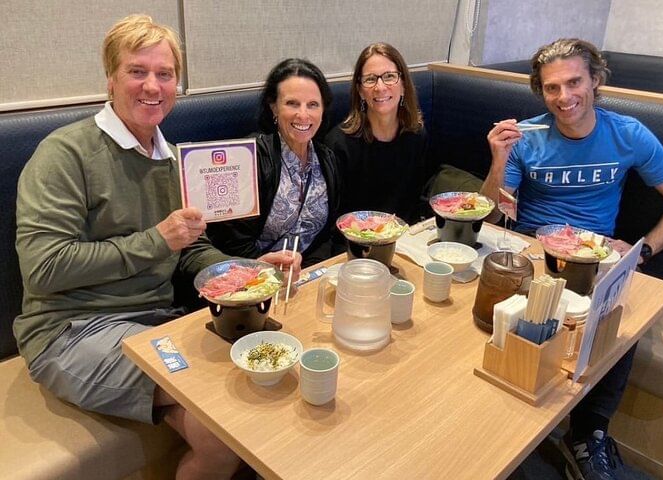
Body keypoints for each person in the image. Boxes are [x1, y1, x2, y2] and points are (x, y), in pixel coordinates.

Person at [13, 15, 299, 480]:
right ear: (110, 78)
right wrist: (156, 240)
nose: (152, 86)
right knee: (225, 392)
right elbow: (44, 268)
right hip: (70, 331)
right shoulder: (65, 154)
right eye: (137, 71)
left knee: (224, 435)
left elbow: (191, 248)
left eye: (164, 74)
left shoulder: (170, 160)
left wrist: (245, 270)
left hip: (154, 322)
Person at [481, 38, 663, 480]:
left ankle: (587, 434)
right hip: (534, 250)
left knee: (617, 319)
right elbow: (491, 214)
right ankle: (499, 426)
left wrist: (643, 250)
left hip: (595, 256)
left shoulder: (628, 134)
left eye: (574, 82)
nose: (564, 97)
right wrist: (499, 159)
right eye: (551, 88)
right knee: (504, 310)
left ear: (595, 80)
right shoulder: (527, 137)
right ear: (541, 92)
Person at [206, 58, 342, 267]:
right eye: (292, 103)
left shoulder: (327, 159)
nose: (303, 114)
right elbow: (230, 242)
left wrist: (309, 271)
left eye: (313, 105)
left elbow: (326, 235)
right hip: (253, 274)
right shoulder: (249, 158)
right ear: (274, 108)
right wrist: (269, 270)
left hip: (306, 273)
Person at [323, 42, 430, 224]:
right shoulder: (338, 145)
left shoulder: (416, 136)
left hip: (406, 236)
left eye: (389, 77)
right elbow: (333, 218)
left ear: (403, 84)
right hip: (354, 238)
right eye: (370, 79)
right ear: (360, 91)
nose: (380, 87)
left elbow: (416, 202)